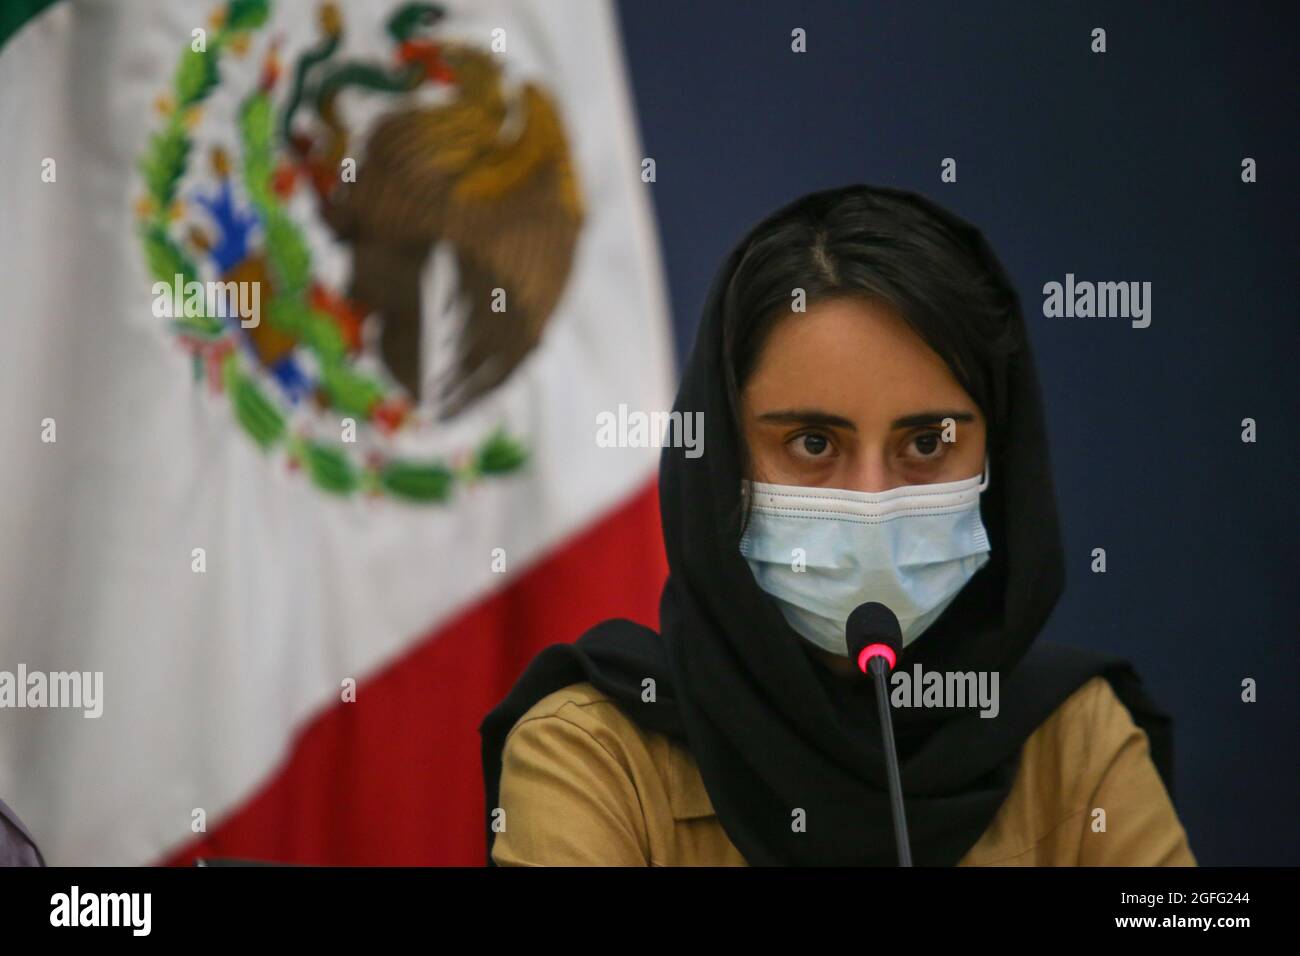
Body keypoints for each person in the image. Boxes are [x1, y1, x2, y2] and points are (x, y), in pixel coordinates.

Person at [478, 184, 1196, 866]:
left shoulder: (1077, 739)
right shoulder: (590, 754)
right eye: (814, 444)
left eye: (926, 444)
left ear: (999, 456)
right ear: (723, 457)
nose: (873, 500)